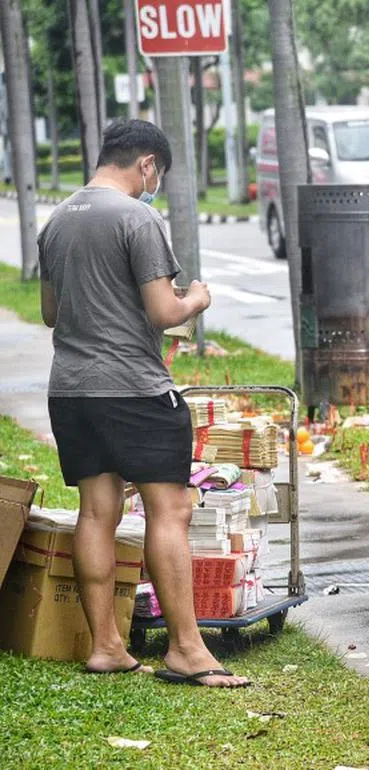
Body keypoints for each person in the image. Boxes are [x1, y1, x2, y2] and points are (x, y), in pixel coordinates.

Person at [38, 119, 247, 687]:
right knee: (171, 509)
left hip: (72, 389)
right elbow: (163, 312)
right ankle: (186, 649)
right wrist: (196, 298)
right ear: (148, 164)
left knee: (97, 511)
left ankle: (107, 646)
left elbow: (52, 314)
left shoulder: (57, 220)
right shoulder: (137, 217)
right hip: (132, 387)